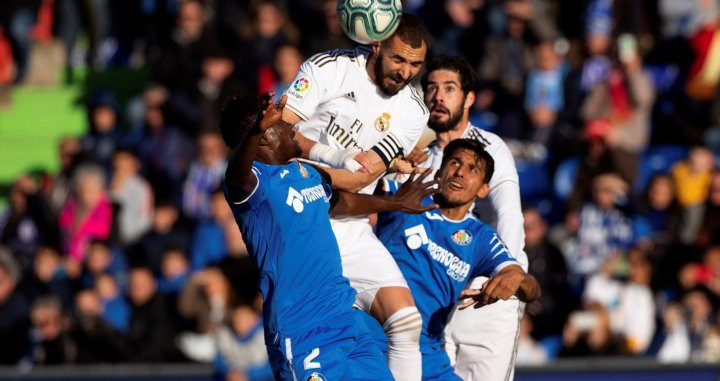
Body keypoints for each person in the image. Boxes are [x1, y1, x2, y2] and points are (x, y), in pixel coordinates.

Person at [221, 92, 437, 380]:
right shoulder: (252, 185)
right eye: (281, 124)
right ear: (262, 137)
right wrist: (254, 130)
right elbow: (235, 176)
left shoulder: (305, 172)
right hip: (302, 331)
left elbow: (338, 201)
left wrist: (394, 203)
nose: (292, 126)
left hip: (346, 321)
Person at [281, 13, 431, 380]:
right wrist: (327, 158)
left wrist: (315, 165)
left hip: (351, 223)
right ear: (376, 45)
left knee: (406, 321)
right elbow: (276, 134)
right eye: (399, 59)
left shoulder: (412, 110)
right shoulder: (327, 68)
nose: (406, 72)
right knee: (312, 344)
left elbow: (360, 176)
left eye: (415, 64)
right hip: (299, 219)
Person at [375, 139, 541, 380]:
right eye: (454, 163)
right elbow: (361, 187)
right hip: (374, 338)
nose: (460, 172)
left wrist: (516, 276)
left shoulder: (481, 237)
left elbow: (532, 291)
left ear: (484, 189)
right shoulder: (408, 197)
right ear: (441, 172)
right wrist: (387, 165)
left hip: (427, 353)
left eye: (473, 169)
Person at [417, 55, 529, 380]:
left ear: (468, 99)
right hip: (435, 296)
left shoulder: (491, 148)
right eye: (432, 88)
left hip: (484, 295)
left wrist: (504, 276)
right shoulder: (419, 157)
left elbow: (509, 215)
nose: (438, 96)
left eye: (449, 88)